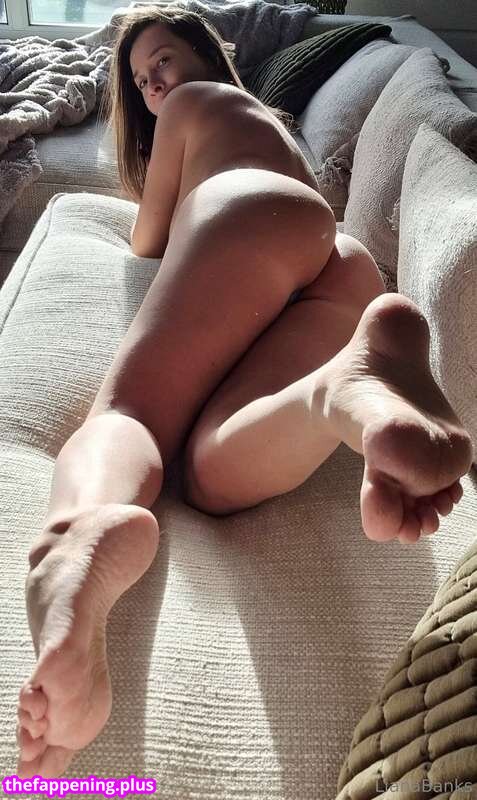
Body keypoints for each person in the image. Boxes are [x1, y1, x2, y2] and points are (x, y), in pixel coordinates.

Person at [15, 4, 474, 779]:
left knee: (132, 412)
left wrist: (158, 173)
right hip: (340, 262)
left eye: (161, 60)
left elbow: (147, 238)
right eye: (140, 78)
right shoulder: (270, 124)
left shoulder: (195, 105)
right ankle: (336, 393)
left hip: (247, 214)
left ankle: (73, 538)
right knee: (209, 473)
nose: (152, 82)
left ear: (205, 55)